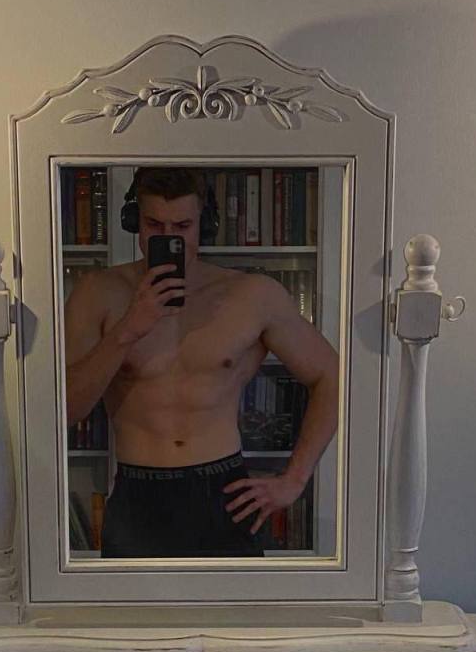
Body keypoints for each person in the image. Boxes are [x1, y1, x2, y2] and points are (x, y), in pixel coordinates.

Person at [64, 166, 339, 558]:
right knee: (128, 603)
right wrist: (128, 329)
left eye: (182, 226)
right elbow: (68, 408)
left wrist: (295, 480)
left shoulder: (252, 295)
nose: (168, 238)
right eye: (154, 225)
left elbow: (332, 376)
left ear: (204, 225)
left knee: (236, 602)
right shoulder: (98, 293)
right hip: (138, 493)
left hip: (223, 492)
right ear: (134, 222)